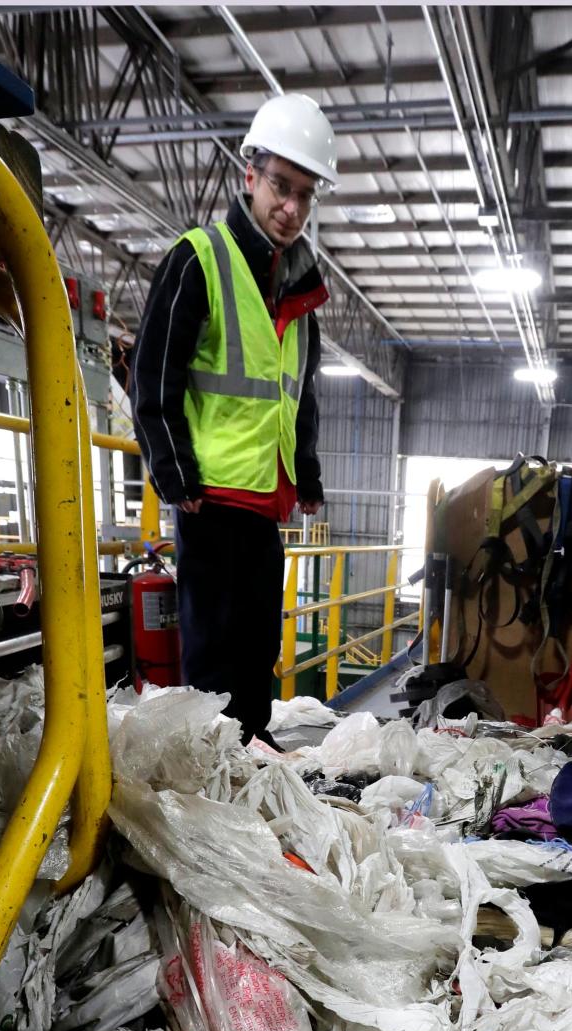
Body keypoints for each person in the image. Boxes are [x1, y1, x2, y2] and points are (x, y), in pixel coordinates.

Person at [130, 94, 337, 744]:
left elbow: (298, 396)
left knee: (256, 646)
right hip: (211, 498)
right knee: (214, 651)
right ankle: (214, 762)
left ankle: (251, 742)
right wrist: (173, 472)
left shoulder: (302, 296)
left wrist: (307, 478)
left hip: (265, 502)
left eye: (305, 194)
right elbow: (152, 370)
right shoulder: (201, 258)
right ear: (250, 174)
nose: (292, 207)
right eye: (281, 185)